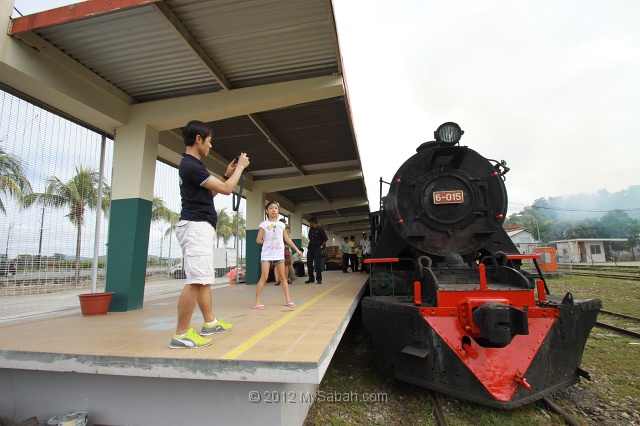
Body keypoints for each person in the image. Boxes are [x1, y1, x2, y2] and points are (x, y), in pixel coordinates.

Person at [170, 120, 250, 349]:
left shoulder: (193, 165)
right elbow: (226, 191)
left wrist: (226, 175)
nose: (211, 146)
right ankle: (181, 334)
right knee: (196, 281)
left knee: (203, 280)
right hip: (195, 228)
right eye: (210, 141)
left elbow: (211, 194)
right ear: (198, 139)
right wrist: (241, 168)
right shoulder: (191, 165)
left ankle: (210, 322)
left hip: (199, 226)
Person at [252, 201, 303, 309]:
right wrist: (267, 242)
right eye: (271, 208)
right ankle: (256, 301)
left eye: (275, 208)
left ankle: (288, 300)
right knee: (264, 277)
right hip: (266, 254)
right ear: (267, 211)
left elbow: (287, 239)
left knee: (283, 277)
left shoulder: (281, 225)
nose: (273, 210)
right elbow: (258, 240)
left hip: (279, 254)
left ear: (278, 211)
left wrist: (297, 250)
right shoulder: (264, 224)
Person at [305, 216, 328, 284]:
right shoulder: (310, 229)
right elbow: (310, 238)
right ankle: (311, 278)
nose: (309, 223)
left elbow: (325, 239)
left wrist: (321, 247)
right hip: (310, 248)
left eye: (310, 222)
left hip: (317, 248)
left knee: (318, 264)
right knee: (309, 263)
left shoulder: (321, 229)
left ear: (313, 222)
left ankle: (319, 279)